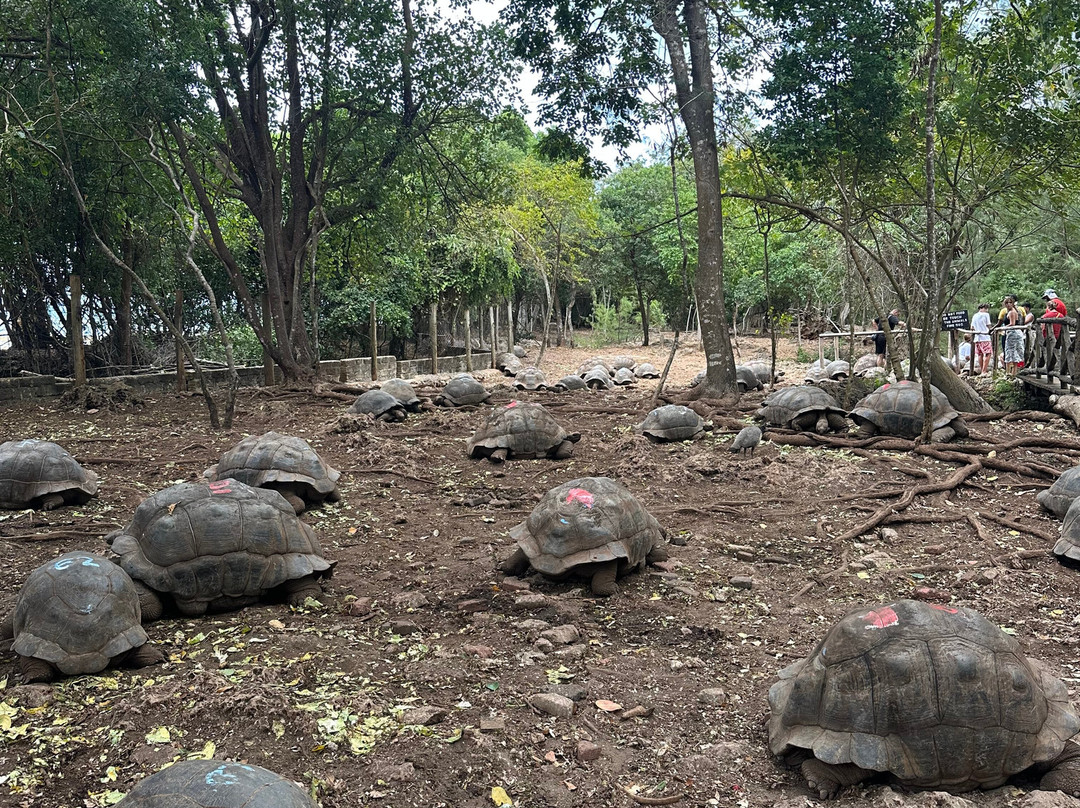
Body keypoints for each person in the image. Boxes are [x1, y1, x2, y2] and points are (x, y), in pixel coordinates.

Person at [1002, 296, 1025, 376]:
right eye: (1006, 303)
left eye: (1010, 302)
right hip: (1011, 333)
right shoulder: (1008, 311)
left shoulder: (1012, 312)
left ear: (1012, 303)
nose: (1008, 304)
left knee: (1011, 352)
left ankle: (1011, 373)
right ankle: (1010, 373)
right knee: (1010, 352)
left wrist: (1003, 328)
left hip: (1013, 333)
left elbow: (1012, 323)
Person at [970, 302, 992, 375]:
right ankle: (984, 370)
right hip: (985, 337)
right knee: (988, 353)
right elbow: (988, 325)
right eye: (986, 308)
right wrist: (991, 330)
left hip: (977, 337)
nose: (987, 310)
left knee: (980, 354)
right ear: (982, 308)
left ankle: (982, 369)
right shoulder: (986, 315)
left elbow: (972, 327)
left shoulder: (974, 315)